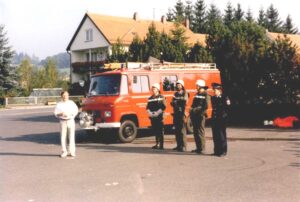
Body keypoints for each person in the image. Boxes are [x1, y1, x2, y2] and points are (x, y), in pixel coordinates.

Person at [54, 91, 79, 158]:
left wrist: (72, 115)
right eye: (64, 95)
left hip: (70, 120)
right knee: (63, 137)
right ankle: (64, 151)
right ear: (61, 96)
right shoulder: (59, 104)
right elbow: (55, 113)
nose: (65, 97)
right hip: (62, 121)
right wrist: (60, 114)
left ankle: (72, 151)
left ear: (68, 96)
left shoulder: (71, 103)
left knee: (71, 136)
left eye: (66, 95)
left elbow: (76, 110)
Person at [211, 83, 231, 157]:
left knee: (221, 135)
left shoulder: (224, 97)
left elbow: (228, 108)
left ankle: (223, 151)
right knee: (215, 135)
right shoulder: (213, 98)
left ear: (219, 90)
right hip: (215, 118)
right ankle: (217, 151)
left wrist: (224, 116)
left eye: (215, 90)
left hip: (222, 118)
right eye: (214, 90)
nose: (214, 91)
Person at [190, 79, 209, 154]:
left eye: (197, 86)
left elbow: (206, 106)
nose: (196, 87)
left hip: (201, 115)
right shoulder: (197, 94)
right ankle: (198, 148)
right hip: (195, 115)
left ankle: (202, 148)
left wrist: (196, 109)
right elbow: (193, 103)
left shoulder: (206, 95)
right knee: (195, 132)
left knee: (200, 132)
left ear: (201, 86)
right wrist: (191, 109)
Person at [146, 83, 166, 150]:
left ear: (158, 89)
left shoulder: (161, 97)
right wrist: (150, 113)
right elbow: (147, 107)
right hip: (153, 117)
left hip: (159, 116)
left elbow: (163, 106)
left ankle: (161, 145)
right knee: (155, 130)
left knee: (160, 131)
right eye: (153, 89)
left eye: (154, 89)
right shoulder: (150, 98)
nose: (153, 90)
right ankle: (157, 144)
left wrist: (157, 113)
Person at [171, 79, 188, 152]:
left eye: (179, 85)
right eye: (177, 85)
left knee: (182, 130)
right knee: (177, 130)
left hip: (182, 113)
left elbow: (184, 101)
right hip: (176, 113)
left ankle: (184, 146)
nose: (178, 86)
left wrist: (176, 101)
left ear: (182, 86)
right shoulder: (175, 93)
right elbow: (171, 103)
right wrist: (177, 101)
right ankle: (179, 145)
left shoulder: (185, 93)